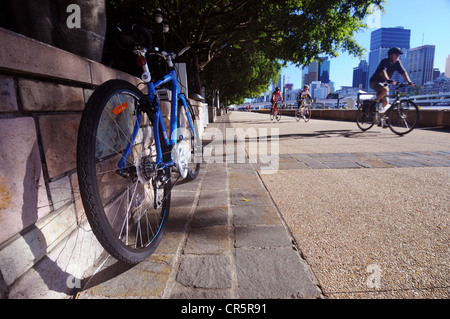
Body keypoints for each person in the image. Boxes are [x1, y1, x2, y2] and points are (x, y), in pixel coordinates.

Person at [369, 47, 414, 113]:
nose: (398, 56)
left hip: (384, 83)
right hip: (374, 81)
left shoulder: (397, 62)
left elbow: (403, 72)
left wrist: (409, 81)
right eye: (396, 54)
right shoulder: (384, 61)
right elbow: (383, 72)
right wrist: (388, 80)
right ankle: (373, 103)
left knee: (385, 102)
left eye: (399, 55)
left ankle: (378, 119)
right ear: (391, 55)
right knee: (386, 90)